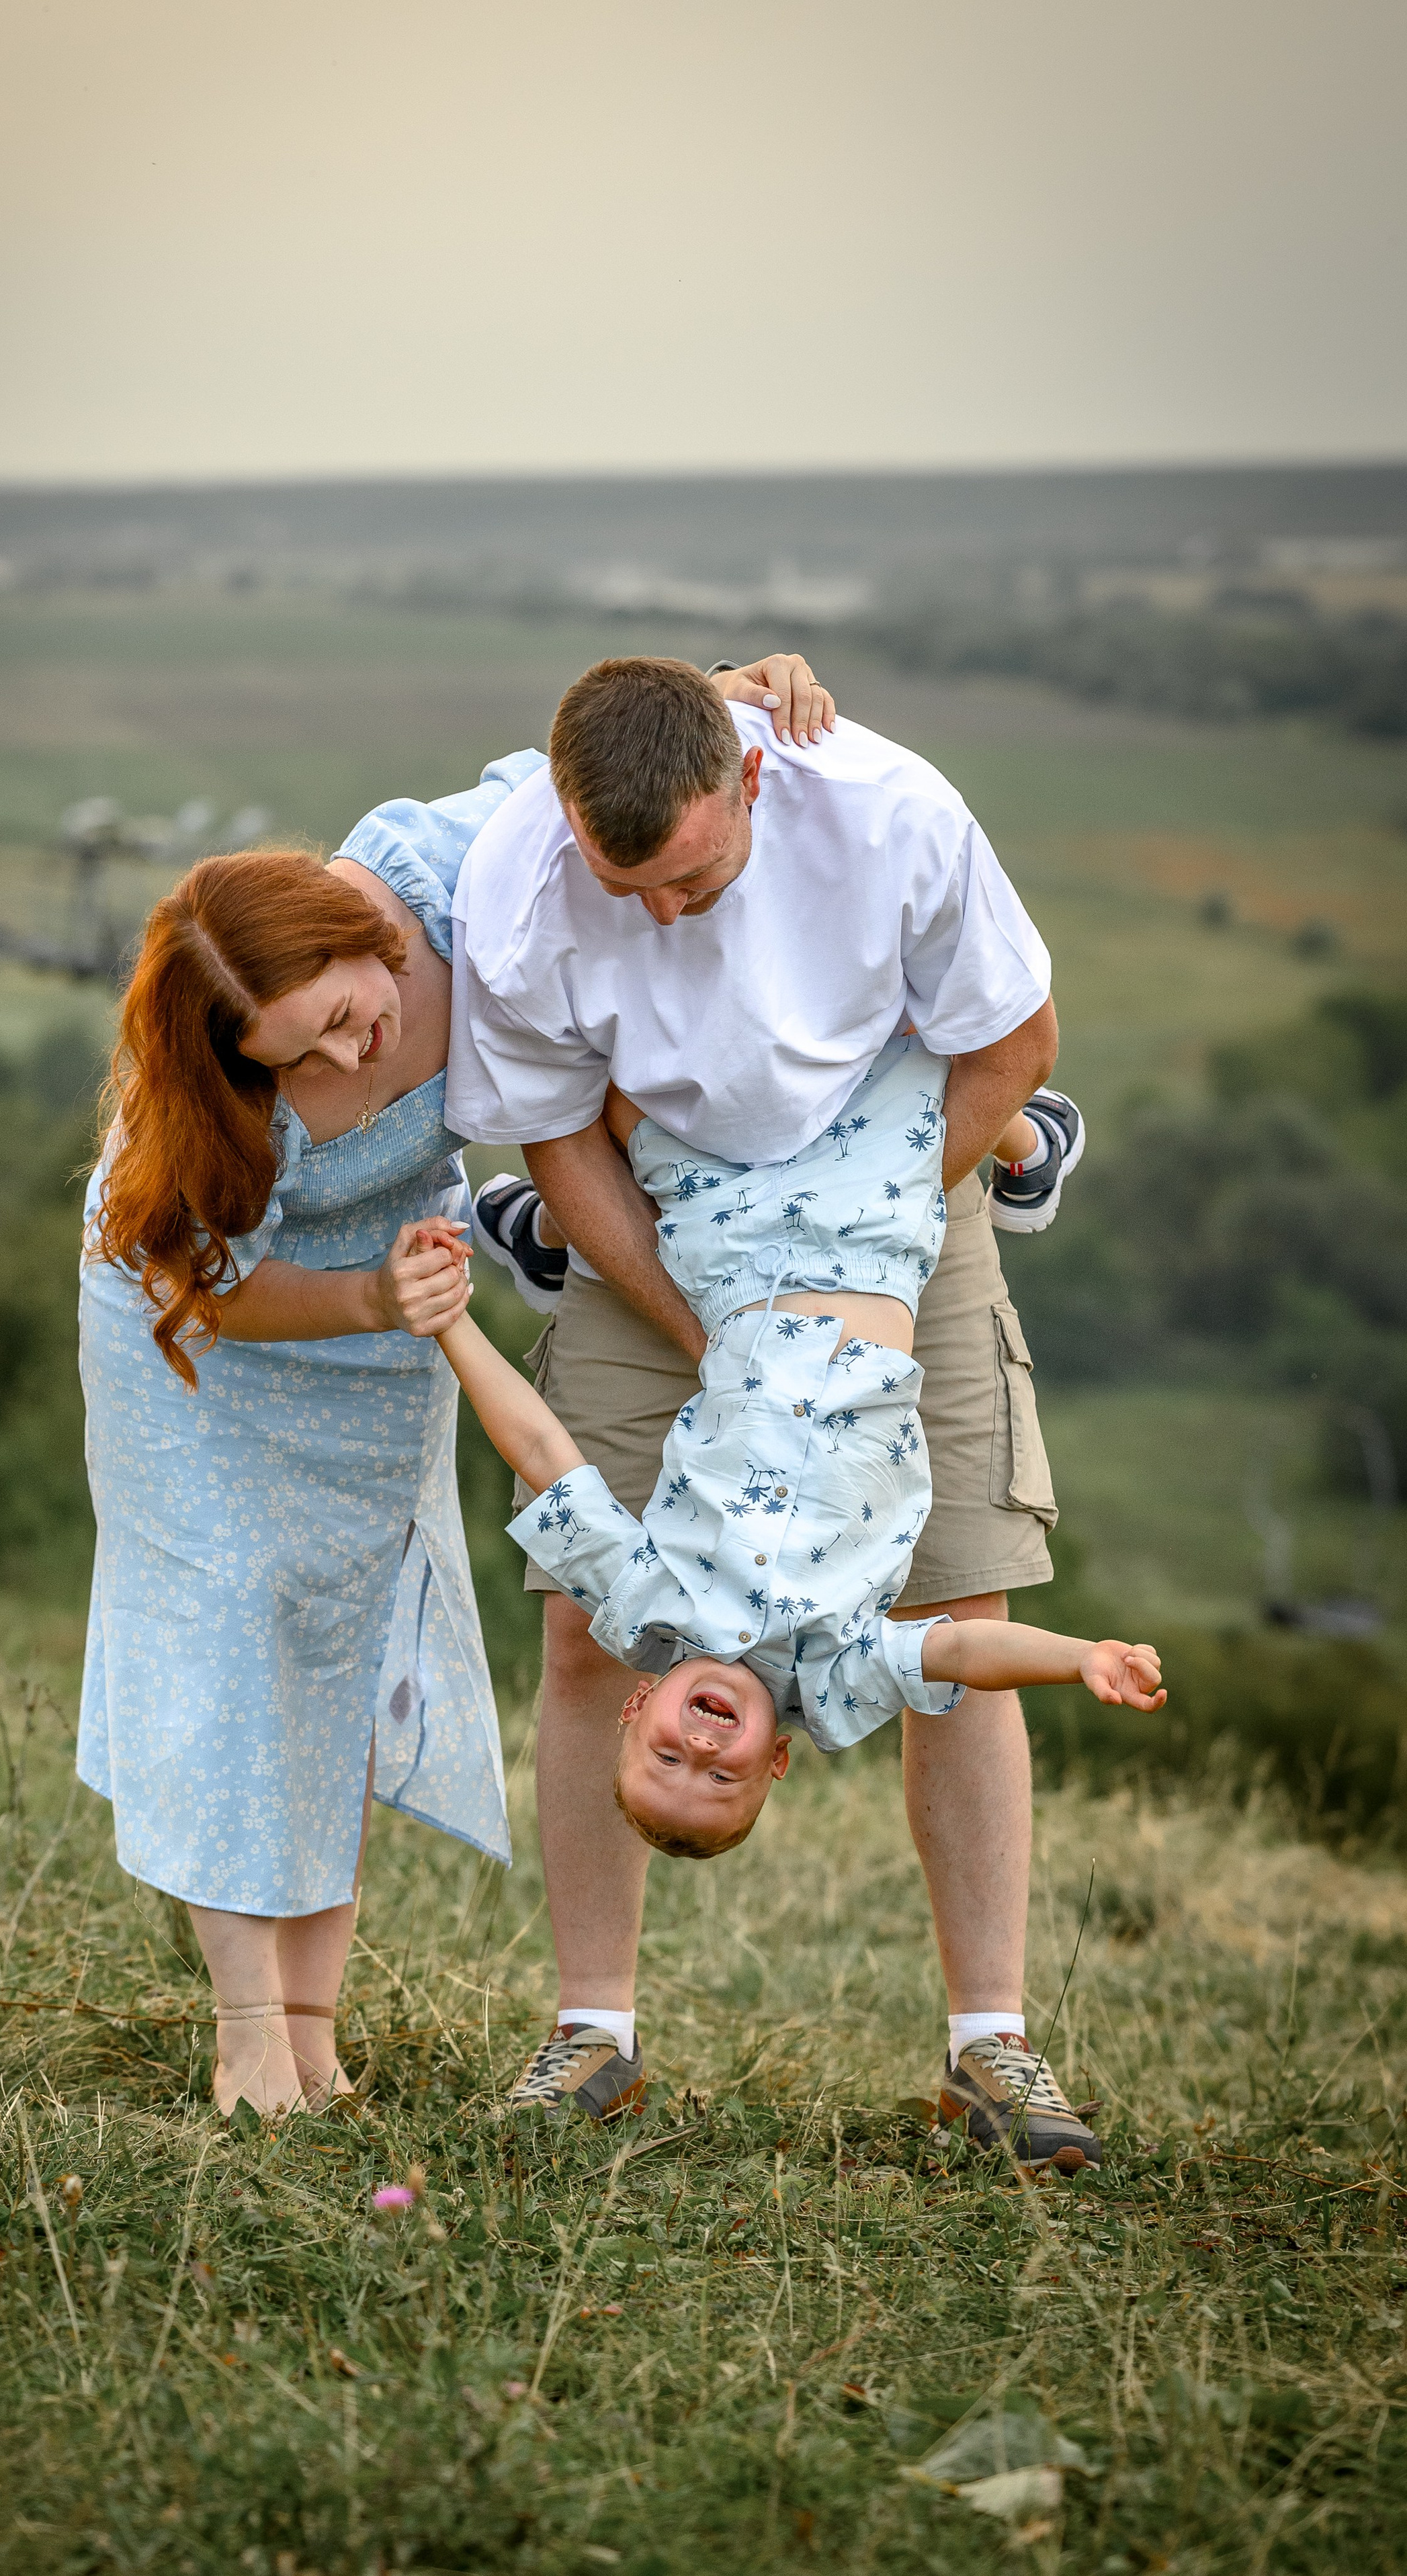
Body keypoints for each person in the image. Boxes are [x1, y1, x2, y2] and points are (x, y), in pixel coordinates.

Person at [75, 654, 831, 2123]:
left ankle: (315, 2033)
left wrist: (729, 681)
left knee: (341, 1652)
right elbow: (196, 1283)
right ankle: (246, 2047)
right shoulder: (202, 1111)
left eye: (348, 1012)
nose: (351, 1051)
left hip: (389, 1322)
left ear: (361, 927)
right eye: (301, 1058)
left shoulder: (439, 870)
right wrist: (364, 1293)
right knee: (234, 1642)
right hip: (213, 1340)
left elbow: (584, 766)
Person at [447, 654, 1103, 2170]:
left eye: (691, 876)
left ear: (749, 777)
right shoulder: (519, 891)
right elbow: (554, 1127)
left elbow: (1011, 1037)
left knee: (957, 1601)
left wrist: (846, 1252)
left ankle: (990, 2049)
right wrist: (713, 1325)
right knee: (580, 1619)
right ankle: (589, 2037)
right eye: (632, 889)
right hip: (649, 1221)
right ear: (560, 816)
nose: (664, 913)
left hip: (888, 1203)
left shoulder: (888, 812)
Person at [415, 1035, 1161, 1918]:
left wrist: (448, 1324)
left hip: (732, 1264)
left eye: (667, 1757)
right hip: (875, 1246)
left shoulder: (641, 1604)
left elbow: (542, 1454)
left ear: (637, 1709)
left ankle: (545, 1226)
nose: (698, 1746)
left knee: (645, 1088)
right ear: (775, 1760)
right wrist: (1081, 1660)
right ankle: (1032, 1141)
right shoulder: (837, 1680)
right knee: (911, 1046)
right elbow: (960, 1648)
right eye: (720, 1774)